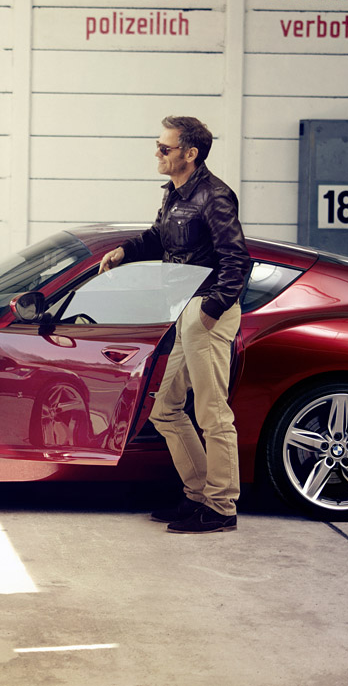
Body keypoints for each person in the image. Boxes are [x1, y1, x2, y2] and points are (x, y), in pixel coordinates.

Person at [99, 115, 252, 534]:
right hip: (185, 308)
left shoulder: (215, 196)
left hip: (206, 310)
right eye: (158, 145)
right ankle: (199, 496)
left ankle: (221, 507)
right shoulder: (175, 194)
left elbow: (237, 261)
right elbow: (157, 237)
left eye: (164, 148)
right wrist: (124, 252)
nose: (157, 153)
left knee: (212, 413)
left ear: (190, 153)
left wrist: (211, 309)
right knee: (166, 409)